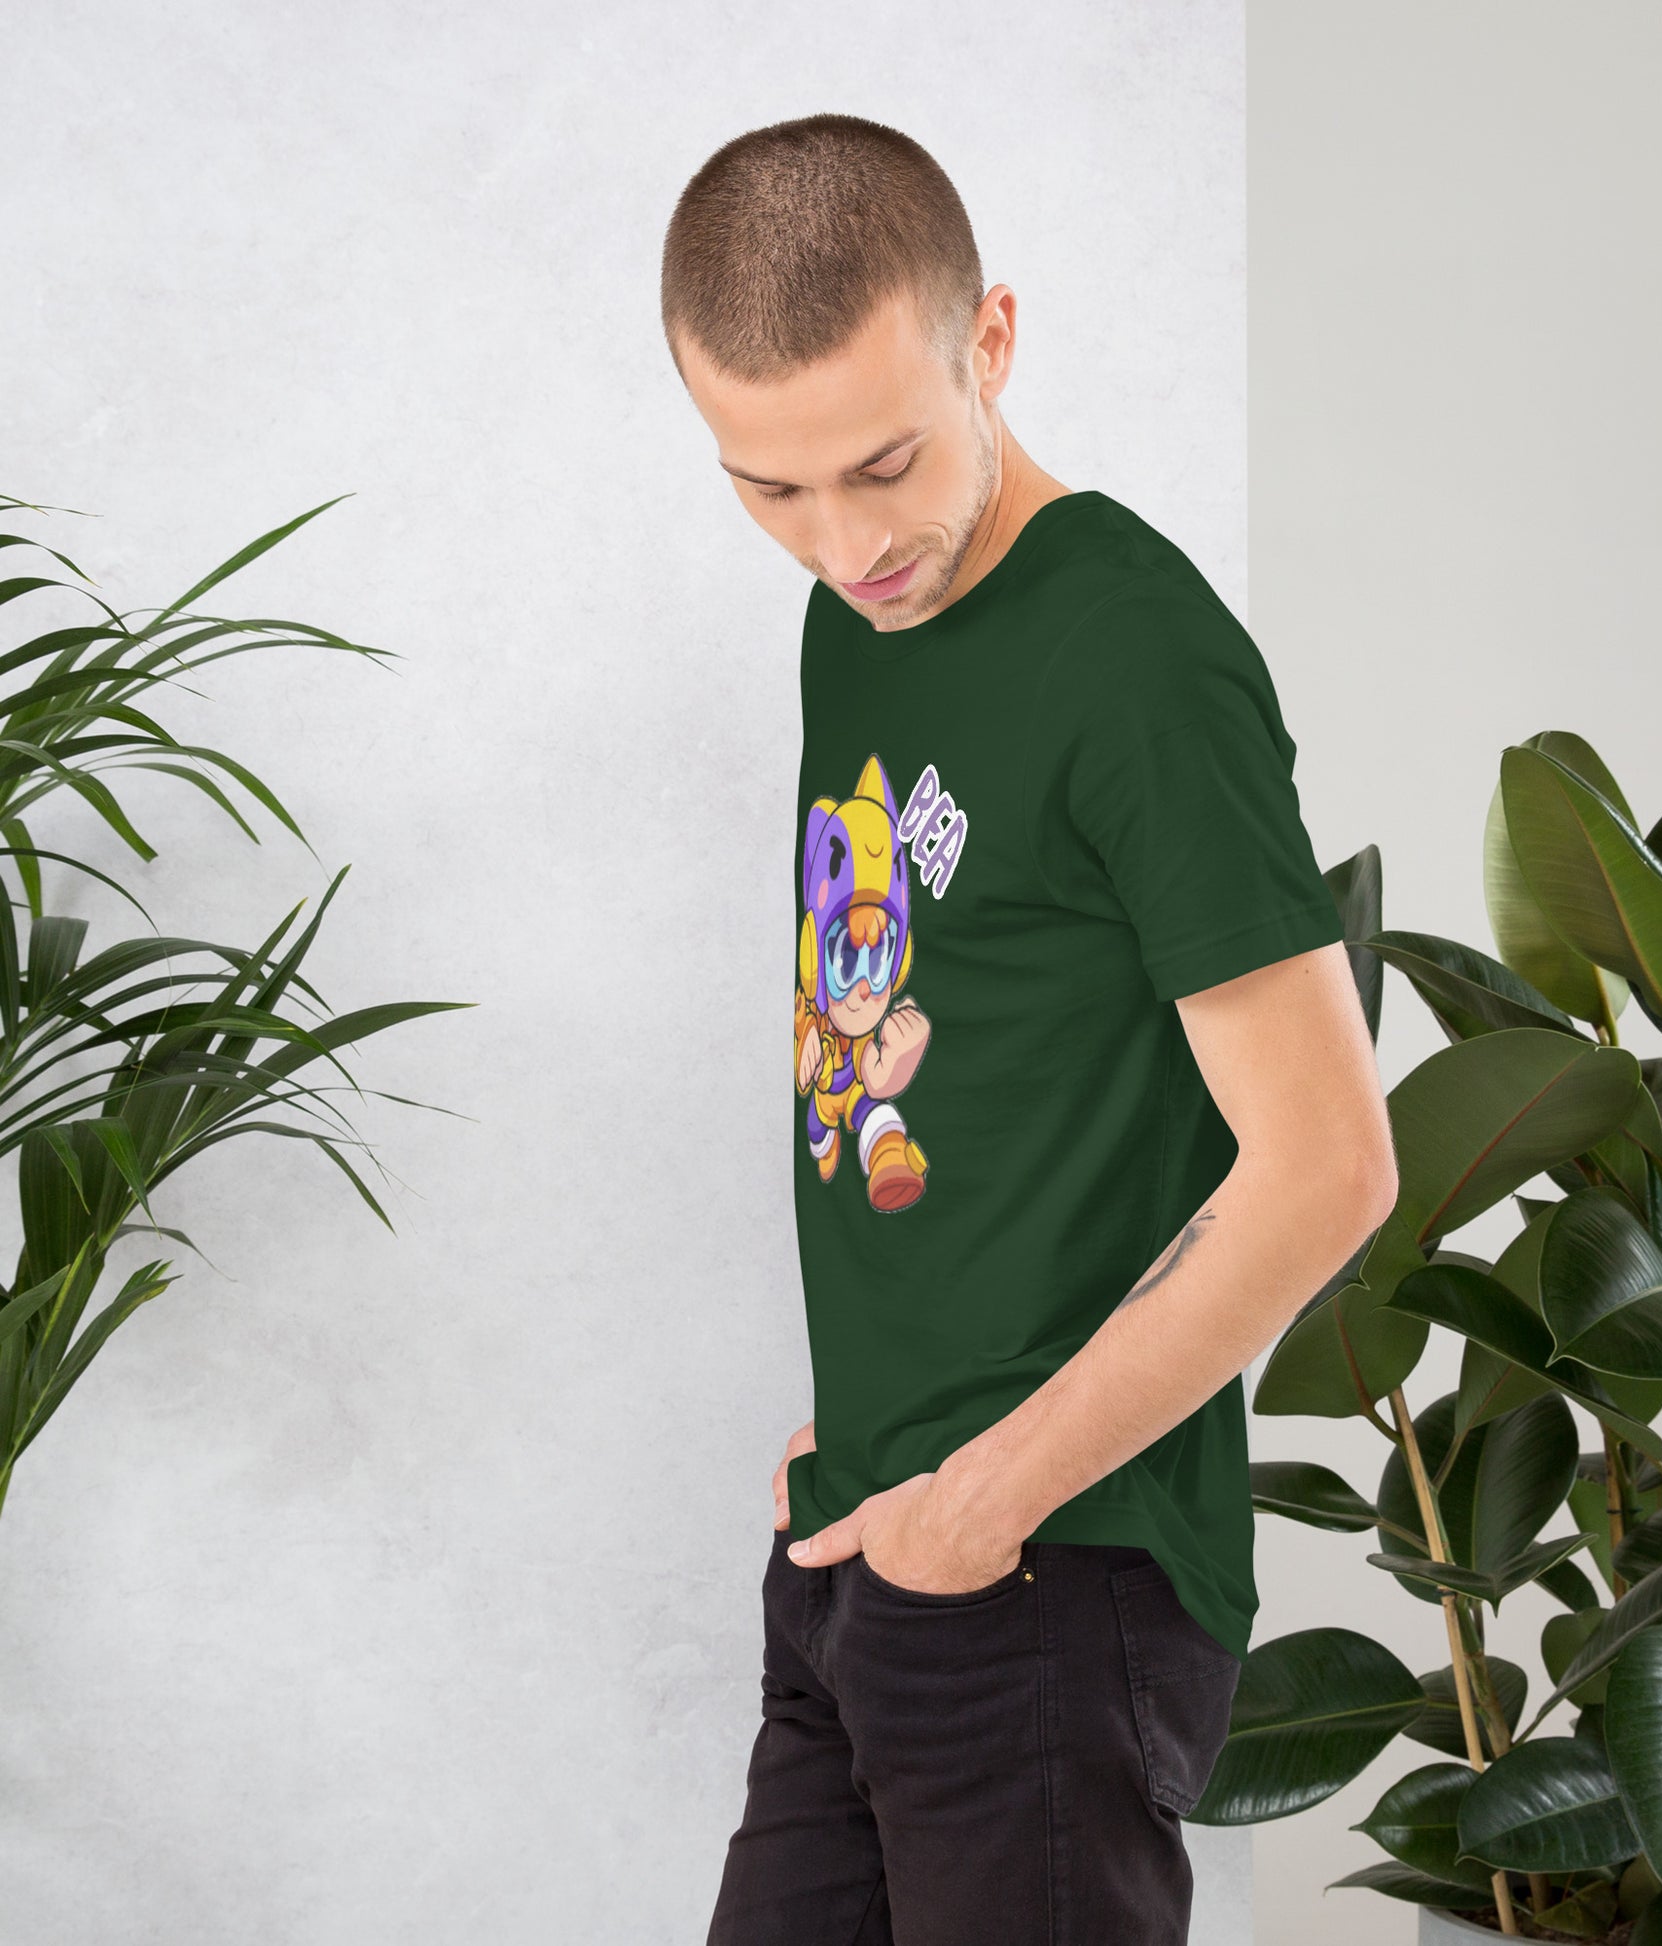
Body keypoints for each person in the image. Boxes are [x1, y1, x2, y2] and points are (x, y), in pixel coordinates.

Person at [661, 112, 1398, 1946]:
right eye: (769, 488)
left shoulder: (1135, 657)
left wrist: (985, 1493)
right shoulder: (858, 619)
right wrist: (874, 1428)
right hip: (866, 1538)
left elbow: (1327, 1162)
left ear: (989, 338)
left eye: (882, 464)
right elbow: (933, 1020)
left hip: (1049, 1568)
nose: (845, 543)